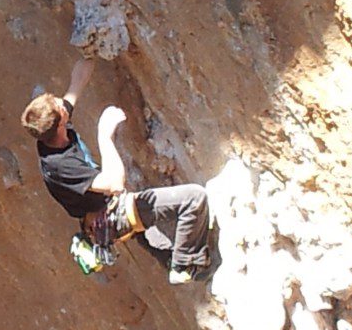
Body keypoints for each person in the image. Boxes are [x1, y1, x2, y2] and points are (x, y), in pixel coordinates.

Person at [20, 57, 212, 284]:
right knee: (194, 198)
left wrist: (89, 51)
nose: (63, 103)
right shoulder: (60, 165)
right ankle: (185, 265)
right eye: (59, 107)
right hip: (111, 215)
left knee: (148, 229)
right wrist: (105, 135)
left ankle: (171, 259)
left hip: (106, 209)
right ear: (59, 123)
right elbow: (115, 183)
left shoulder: (53, 134)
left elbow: (77, 81)